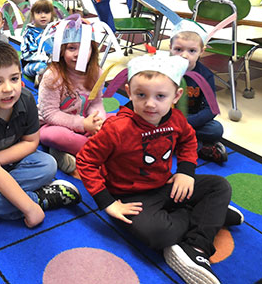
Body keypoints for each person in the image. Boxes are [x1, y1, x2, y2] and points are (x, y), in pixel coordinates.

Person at [76, 51, 243, 284]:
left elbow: (188, 140)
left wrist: (185, 172)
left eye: (160, 96)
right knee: (159, 235)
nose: (150, 104)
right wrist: (108, 203)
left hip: (166, 185)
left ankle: (197, 247)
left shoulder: (176, 119)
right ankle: (204, 214)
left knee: (220, 185)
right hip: (131, 198)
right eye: (141, 95)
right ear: (129, 91)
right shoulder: (116, 128)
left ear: (176, 96)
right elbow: (86, 161)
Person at [0, 41, 81, 235]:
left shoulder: (26, 99)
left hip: (1, 160)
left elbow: (31, 142)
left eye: (14, 78)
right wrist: (31, 208)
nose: (8, 89)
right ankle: (41, 199)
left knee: (48, 165)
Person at [38, 15, 106, 175]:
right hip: (53, 125)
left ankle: (67, 152)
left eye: (84, 48)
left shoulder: (97, 73)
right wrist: (83, 125)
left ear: (92, 50)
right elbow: (50, 114)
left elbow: (96, 102)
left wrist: (98, 120)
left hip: (84, 123)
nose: (78, 54)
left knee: (116, 121)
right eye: (71, 48)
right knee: (53, 136)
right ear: (61, 51)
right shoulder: (52, 77)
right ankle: (95, 152)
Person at [169, 21, 228, 163]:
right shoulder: (163, 69)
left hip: (190, 120)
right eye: (178, 49)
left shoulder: (205, 75)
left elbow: (211, 109)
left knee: (215, 129)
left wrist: (186, 123)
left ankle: (179, 142)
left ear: (202, 51)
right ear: (170, 48)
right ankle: (197, 147)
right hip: (164, 119)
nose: (184, 56)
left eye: (192, 51)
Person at [20, 0, 55, 82]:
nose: (43, 16)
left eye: (46, 12)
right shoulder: (29, 33)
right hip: (32, 64)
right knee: (43, 68)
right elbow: (27, 54)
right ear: (32, 15)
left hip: (52, 62)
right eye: (38, 12)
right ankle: (40, 78)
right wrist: (46, 59)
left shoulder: (53, 30)